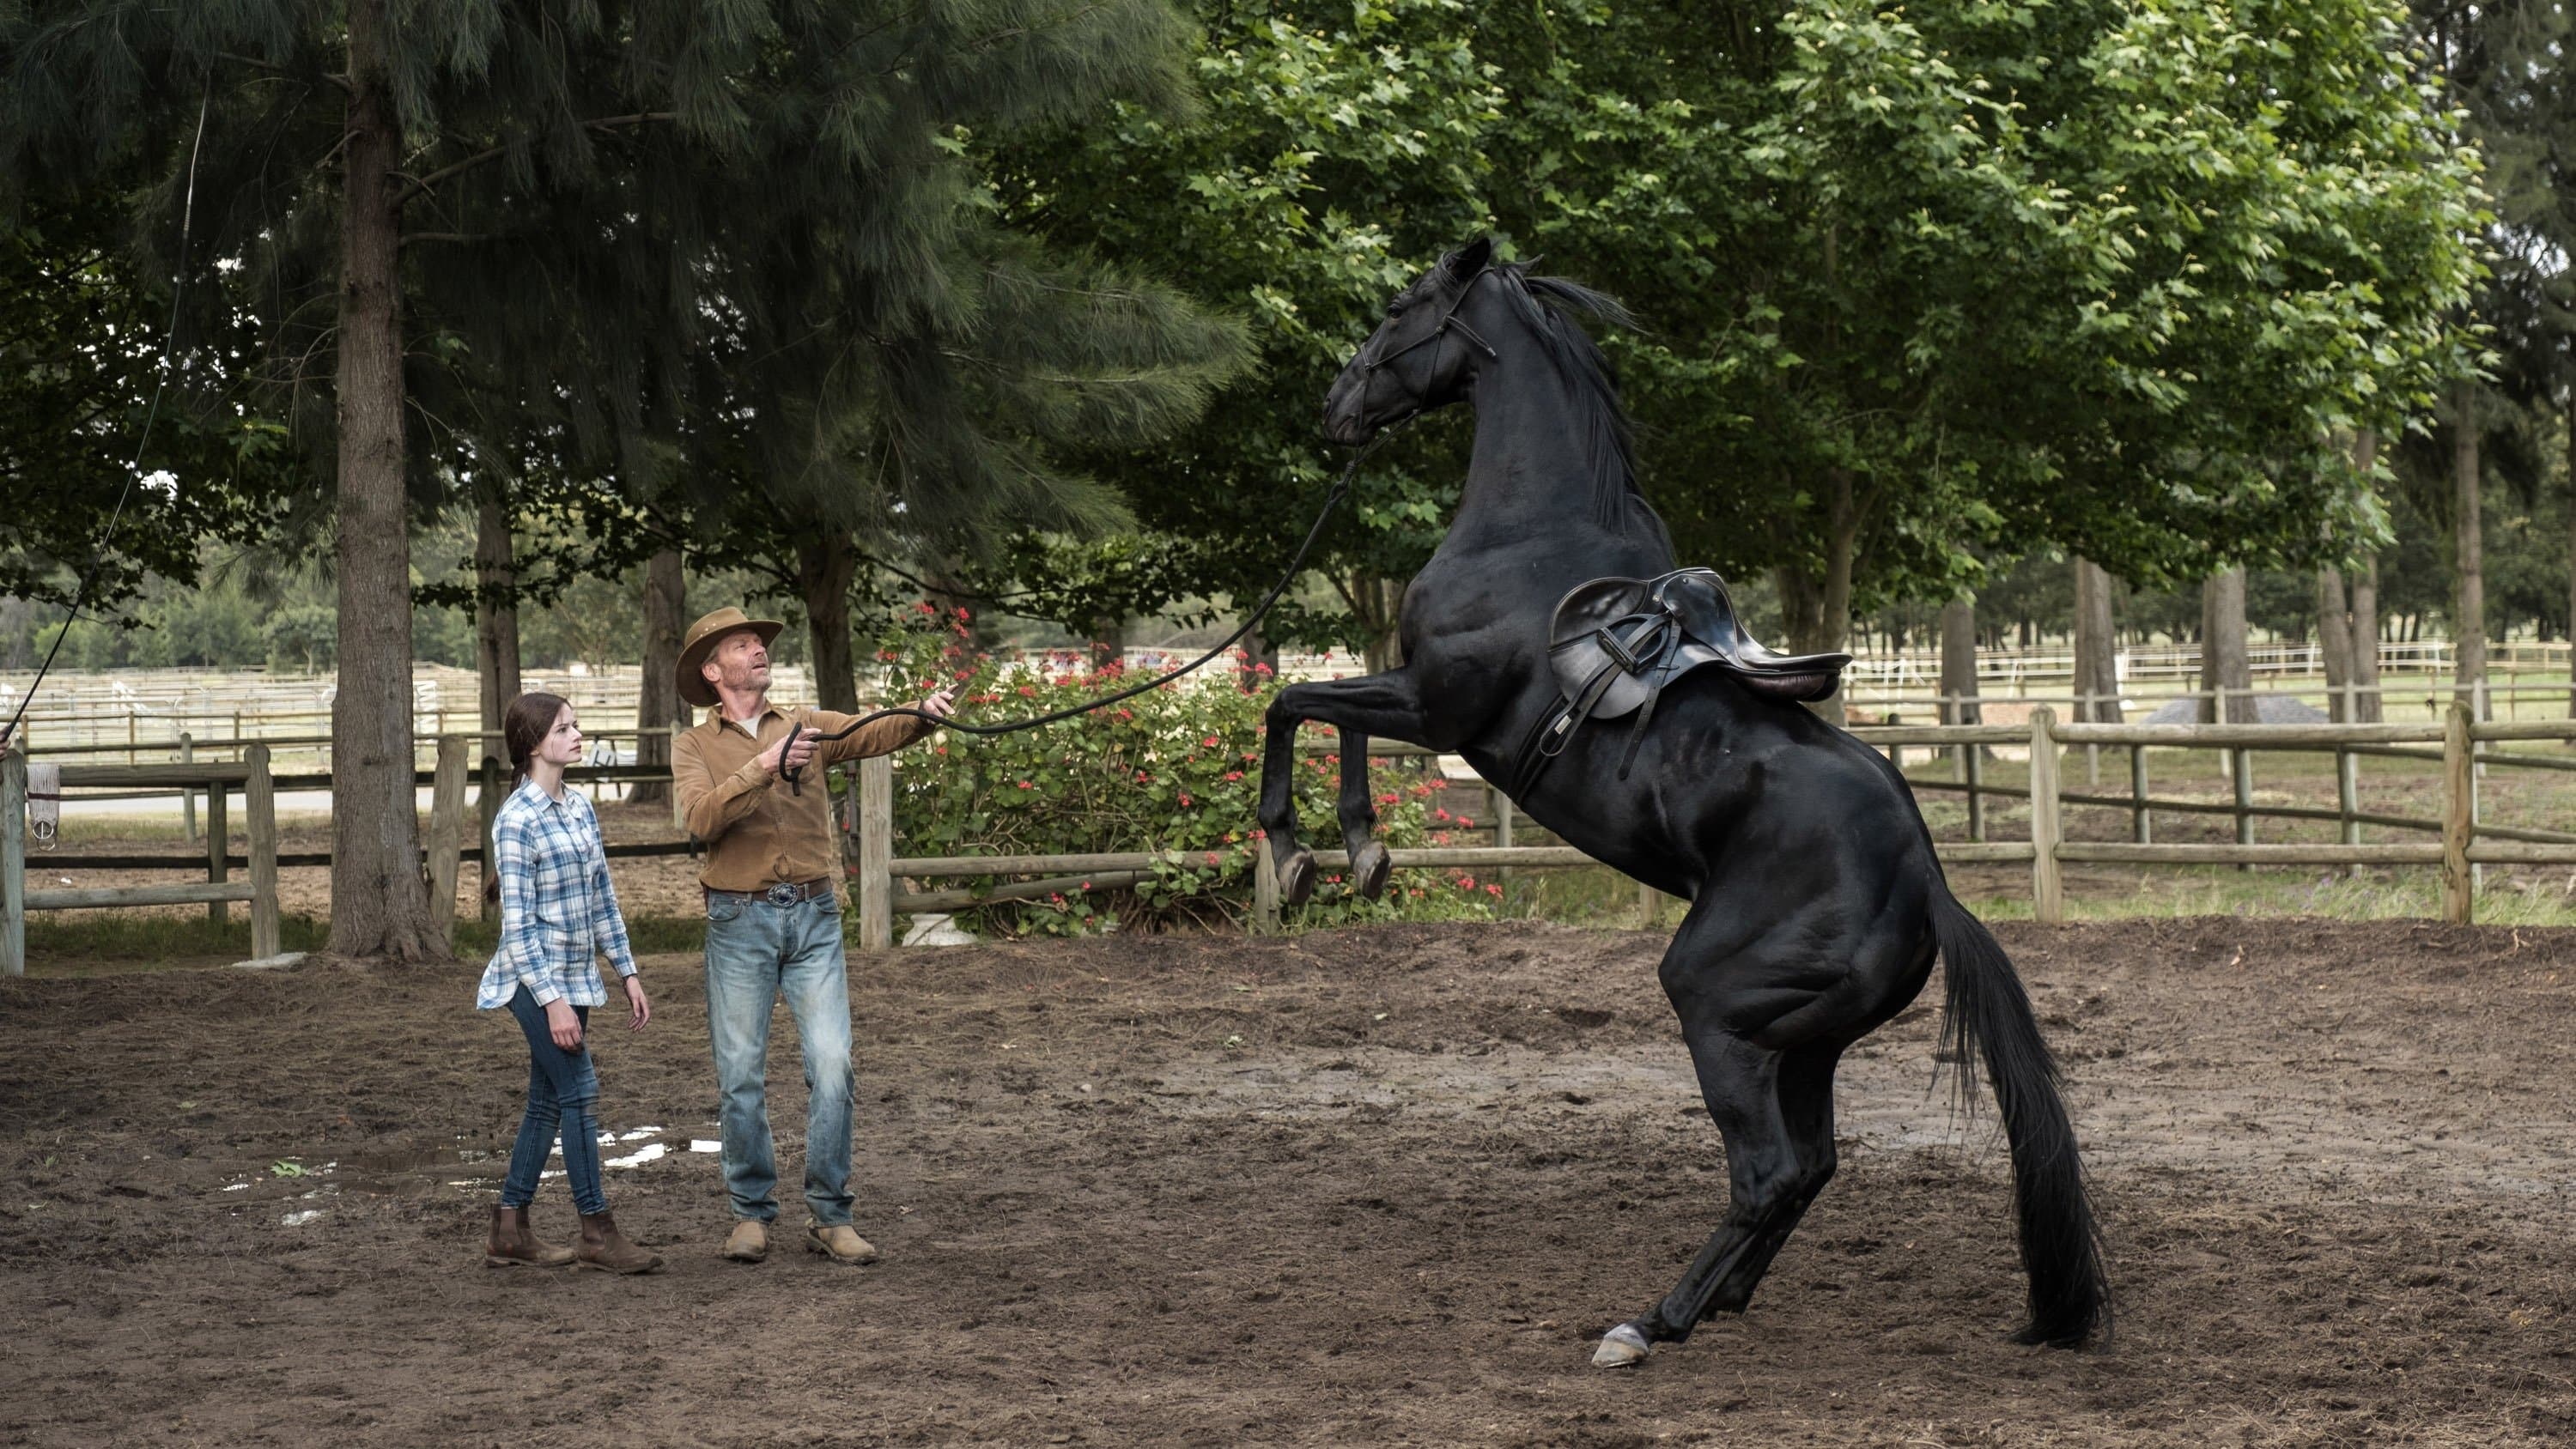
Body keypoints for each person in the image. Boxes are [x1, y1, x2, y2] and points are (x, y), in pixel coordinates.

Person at [670, 607, 953, 1265]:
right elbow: (701, 819)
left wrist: (921, 713)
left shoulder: (808, 723)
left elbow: (866, 732)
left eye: (759, 643)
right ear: (713, 672)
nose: (758, 651)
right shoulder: (692, 746)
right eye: (742, 646)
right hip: (738, 922)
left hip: (815, 920)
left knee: (834, 1066)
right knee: (740, 1075)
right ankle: (750, 1213)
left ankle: (830, 1214)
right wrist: (764, 765)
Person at [476, 690, 662, 1275]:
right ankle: (596, 1231)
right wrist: (552, 1002)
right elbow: (520, 927)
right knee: (579, 1090)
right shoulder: (517, 820)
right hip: (533, 982)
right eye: (565, 728)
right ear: (535, 745)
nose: (578, 735)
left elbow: (603, 900)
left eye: (577, 726)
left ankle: (510, 1229)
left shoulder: (580, 809)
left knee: (547, 1101)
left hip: (579, 978)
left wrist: (626, 971)